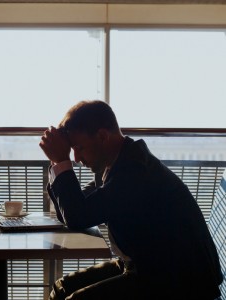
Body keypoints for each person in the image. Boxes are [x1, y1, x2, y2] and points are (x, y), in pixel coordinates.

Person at [39, 100, 223, 300]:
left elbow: (77, 215)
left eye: (79, 147)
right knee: (62, 288)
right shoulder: (116, 163)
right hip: (146, 262)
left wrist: (60, 160)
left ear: (102, 136)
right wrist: (56, 161)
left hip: (179, 277)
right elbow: (72, 210)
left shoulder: (135, 170)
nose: (75, 158)